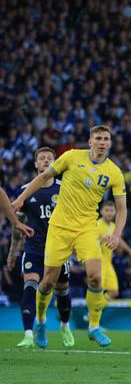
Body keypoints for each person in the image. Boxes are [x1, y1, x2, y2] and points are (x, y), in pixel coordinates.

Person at [12, 125, 127, 348]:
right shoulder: (72, 157)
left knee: (95, 277)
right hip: (60, 228)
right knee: (47, 283)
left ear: (110, 143)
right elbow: (44, 176)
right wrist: (20, 199)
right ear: (90, 141)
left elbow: (122, 208)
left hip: (86, 228)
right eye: (98, 138)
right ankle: (42, 320)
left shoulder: (114, 172)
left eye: (106, 139)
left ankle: (94, 327)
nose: (102, 142)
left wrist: (117, 234)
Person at [7, 147, 74, 348]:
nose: (46, 160)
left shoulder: (65, 187)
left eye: (49, 158)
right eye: (41, 158)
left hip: (59, 248)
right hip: (35, 248)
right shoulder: (26, 191)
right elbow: (17, 224)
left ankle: (64, 325)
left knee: (62, 290)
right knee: (30, 286)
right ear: (36, 164)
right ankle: (29, 332)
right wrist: (13, 251)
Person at [96, 200, 131, 300]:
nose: (109, 213)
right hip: (98, 262)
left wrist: (130, 252)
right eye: (107, 210)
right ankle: (92, 313)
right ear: (101, 211)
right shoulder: (97, 225)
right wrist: (101, 241)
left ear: (115, 212)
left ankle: (98, 308)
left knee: (114, 292)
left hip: (108, 263)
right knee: (97, 291)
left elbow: (119, 240)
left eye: (112, 210)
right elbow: (89, 245)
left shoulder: (113, 226)